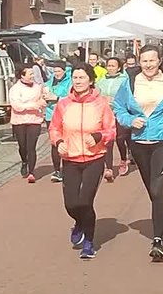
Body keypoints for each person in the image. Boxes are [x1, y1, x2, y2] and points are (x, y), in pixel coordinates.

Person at [112, 45, 163, 262]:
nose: (148, 65)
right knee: (152, 190)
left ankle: (157, 240)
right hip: (138, 141)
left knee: (157, 189)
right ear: (139, 61)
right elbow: (118, 106)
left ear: (160, 61)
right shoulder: (129, 80)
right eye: (144, 61)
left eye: (152, 61)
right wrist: (129, 121)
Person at [50, 64, 118, 259]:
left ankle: (89, 242)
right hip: (70, 158)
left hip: (93, 158)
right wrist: (59, 141)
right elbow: (54, 128)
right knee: (71, 204)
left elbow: (112, 130)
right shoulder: (63, 104)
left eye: (82, 78)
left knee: (85, 202)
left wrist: (98, 137)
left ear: (91, 80)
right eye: (75, 78)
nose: (78, 82)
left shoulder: (101, 103)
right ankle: (79, 222)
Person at [9, 67, 47, 182]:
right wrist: (33, 105)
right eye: (30, 74)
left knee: (31, 147)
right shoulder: (15, 89)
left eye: (33, 73)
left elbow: (43, 100)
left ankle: (31, 172)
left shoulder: (37, 87)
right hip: (19, 121)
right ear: (22, 75)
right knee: (23, 146)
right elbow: (17, 106)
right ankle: (24, 161)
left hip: (34, 120)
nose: (32, 76)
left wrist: (43, 100)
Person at [95, 57, 131, 181]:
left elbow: (128, 96)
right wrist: (102, 99)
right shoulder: (101, 80)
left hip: (120, 112)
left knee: (120, 138)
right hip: (105, 113)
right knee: (108, 140)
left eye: (113, 66)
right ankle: (109, 168)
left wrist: (115, 101)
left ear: (119, 68)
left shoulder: (124, 80)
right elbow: (96, 94)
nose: (110, 68)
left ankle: (123, 159)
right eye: (108, 66)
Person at [43, 62, 73, 182]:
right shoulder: (49, 83)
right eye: (54, 72)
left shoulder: (70, 82)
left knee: (67, 141)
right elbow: (44, 95)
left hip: (66, 115)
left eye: (59, 71)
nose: (56, 74)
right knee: (55, 143)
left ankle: (68, 168)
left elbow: (71, 97)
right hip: (51, 115)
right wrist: (44, 96)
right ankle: (57, 170)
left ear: (64, 71)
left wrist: (56, 98)